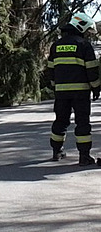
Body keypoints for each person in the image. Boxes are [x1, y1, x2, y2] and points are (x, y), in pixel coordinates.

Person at [47, 12, 100, 165]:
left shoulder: (55, 46)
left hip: (61, 93)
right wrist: (96, 88)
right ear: (81, 27)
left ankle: (56, 151)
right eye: (86, 32)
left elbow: (51, 69)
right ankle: (84, 156)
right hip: (81, 93)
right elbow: (92, 70)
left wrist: (55, 86)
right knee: (82, 122)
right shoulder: (84, 45)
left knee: (60, 120)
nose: (87, 35)